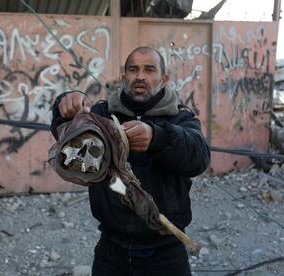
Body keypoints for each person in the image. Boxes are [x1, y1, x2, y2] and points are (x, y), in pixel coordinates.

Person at [50, 46, 211, 276]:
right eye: (133, 69)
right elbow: (65, 135)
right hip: (112, 250)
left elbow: (199, 158)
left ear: (163, 79)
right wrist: (63, 105)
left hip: (167, 252)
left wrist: (158, 137)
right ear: (123, 76)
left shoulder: (180, 117)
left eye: (149, 69)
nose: (140, 76)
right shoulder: (102, 114)